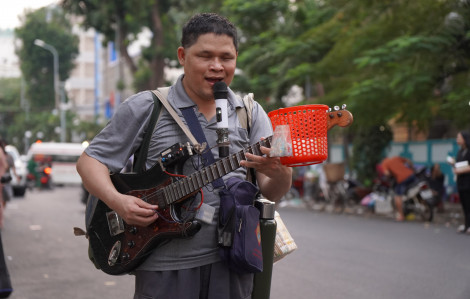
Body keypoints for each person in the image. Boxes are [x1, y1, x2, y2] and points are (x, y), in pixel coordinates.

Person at [76, 13, 292, 299]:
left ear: (236, 58)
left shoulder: (252, 114)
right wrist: (119, 201)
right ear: (182, 55)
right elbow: (90, 162)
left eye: (226, 57)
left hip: (234, 262)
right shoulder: (147, 106)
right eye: (205, 56)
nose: (217, 66)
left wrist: (281, 173)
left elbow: (272, 192)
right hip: (164, 267)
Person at [380, 156, 416, 221]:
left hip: (402, 179)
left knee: (398, 196)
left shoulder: (384, 163)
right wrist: (412, 168)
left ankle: (401, 215)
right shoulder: (395, 158)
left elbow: (387, 173)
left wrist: (389, 176)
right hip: (411, 175)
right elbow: (408, 160)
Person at [452, 131, 470, 234]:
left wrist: (461, 170)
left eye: (459, 137)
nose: (457, 139)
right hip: (461, 182)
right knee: (464, 205)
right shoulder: (460, 152)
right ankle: (466, 225)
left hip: (468, 181)